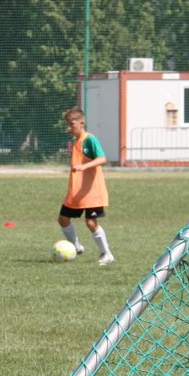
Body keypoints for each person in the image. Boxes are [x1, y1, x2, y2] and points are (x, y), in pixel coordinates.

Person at [57, 108, 114, 264]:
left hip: (92, 192)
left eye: (71, 125)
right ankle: (76, 247)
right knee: (63, 219)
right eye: (67, 125)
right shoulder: (76, 142)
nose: (69, 128)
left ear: (82, 123)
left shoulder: (90, 139)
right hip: (76, 191)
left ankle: (106, 253)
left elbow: (102, 159)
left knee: (90, 223)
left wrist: (84, 167)